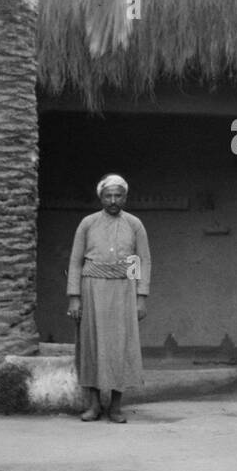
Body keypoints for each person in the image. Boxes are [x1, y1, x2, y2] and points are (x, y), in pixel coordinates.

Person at [66, 174, 151, 424]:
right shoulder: (88, 223)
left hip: (124, 291)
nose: (113, 200)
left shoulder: (135, 224)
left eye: (118, 195)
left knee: (120, 346)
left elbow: (141, 260)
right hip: (92, 289)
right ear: (100, 197)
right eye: (108, 195)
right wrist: (74, 297)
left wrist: (140, 296)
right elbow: (75, 261)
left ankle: (115, 406)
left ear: (125, 197)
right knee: (92, 344)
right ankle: (93, 405)